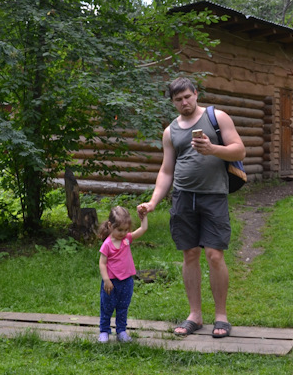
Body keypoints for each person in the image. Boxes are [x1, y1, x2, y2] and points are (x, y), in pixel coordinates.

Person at [137, 77, 246, 339]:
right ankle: (194, 316)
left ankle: (221, 316)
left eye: (188, 96)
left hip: (213, 196)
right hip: (183, 198)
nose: (184, 102)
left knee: (215, 255)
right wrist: (153, 201)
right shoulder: (170, 131)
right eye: (178, 99)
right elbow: (166, 170)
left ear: (196, 94)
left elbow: (239, 151)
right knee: (189, 255)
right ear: (172, 102)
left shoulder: (217, 118)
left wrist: (212, 149)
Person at [97, 206, 148, 343]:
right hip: (111, 283)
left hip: (126, 281)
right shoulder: (107, 244)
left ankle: (121, 331)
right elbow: (102, 263)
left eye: (126, 230)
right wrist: (106, 280)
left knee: (123, 307)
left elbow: (143, 230)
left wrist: (143, 218)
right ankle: (104, 331)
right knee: (107, 307)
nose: (123, 233)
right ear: (110, 225)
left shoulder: (127, 239)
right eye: (119, 230)